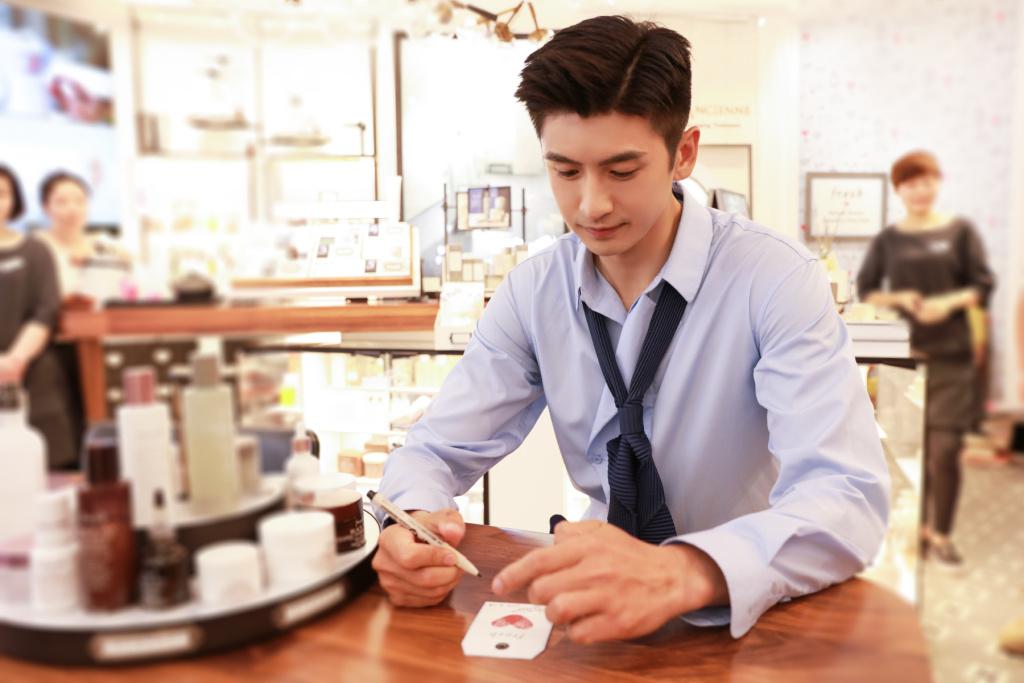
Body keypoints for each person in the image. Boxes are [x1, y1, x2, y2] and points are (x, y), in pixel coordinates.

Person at [372, 16, 889, 643]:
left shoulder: (775, 279)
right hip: (599, 608)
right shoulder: (534, 292)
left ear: (683, 154)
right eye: (566, 172)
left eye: (622, 171)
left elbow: (846, 494)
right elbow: (432, 451)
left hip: (752, 605)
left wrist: (683, 571)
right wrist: (412, 526)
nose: (592, 205)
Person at [857, 151, 995, 566]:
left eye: (926, 181)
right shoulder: (890, 239)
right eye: (910, 183)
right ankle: (915, 524)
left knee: (944, 449)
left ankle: (940, 533)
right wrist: (900, 298)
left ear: (937, 183)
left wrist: (946, 303)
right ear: (899, 190)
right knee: (910, 447)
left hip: (953, 356)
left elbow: (982, 285)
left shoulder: (959, 232)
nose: (920, 190)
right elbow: (867, 289)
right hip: (907, 356)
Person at [0, 164, 76, 467]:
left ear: (14, 200)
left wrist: (14, 360)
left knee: (48, 465)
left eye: (2, 193)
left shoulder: (36, 251)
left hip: (33, 373)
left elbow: (45, 310)